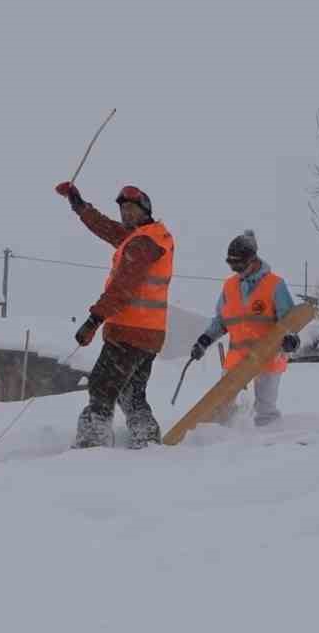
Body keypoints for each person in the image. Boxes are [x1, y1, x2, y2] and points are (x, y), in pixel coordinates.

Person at [53, 180, 174, 447]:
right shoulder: (146, 236)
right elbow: (107, 229)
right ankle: (147, 440)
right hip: (150, 334)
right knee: (131, 393)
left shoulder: (144, 243)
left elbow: (122, 288)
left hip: (130, 333)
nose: (126, 214)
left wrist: (93, 321)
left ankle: (92, 444)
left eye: (132, 208)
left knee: (101, 387)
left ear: (146, 210)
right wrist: (78, 203)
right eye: (123, 209)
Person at [190, 230, 300, 426]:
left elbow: (290, 319)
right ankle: (218, 445)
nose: (236, 269)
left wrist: (291, 338)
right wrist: (204, 340)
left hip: (268, 355)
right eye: (232, 264)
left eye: (240, 264)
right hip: (237, 358)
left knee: (265, 410)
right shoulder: (229, 286)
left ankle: (269, 447)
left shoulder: (274, 285)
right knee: (221, 407)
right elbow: (222, 320)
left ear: (253, 259)